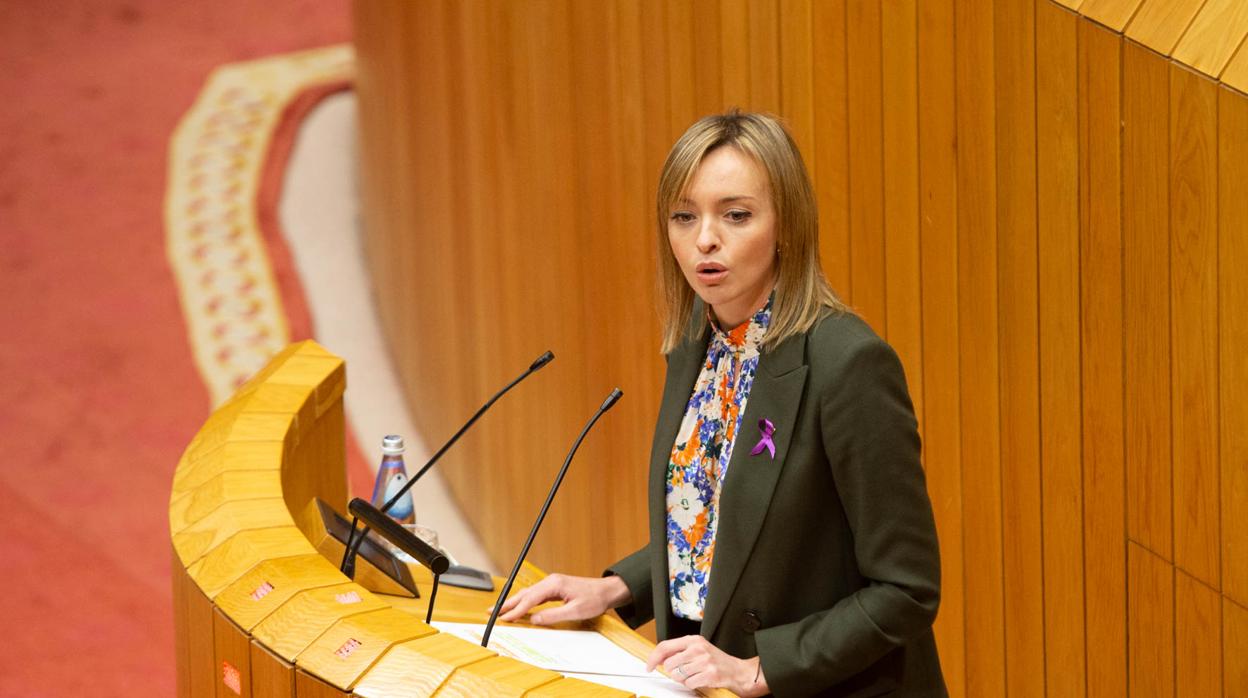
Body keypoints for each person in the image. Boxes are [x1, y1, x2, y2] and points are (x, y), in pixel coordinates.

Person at [499, 110, 945, 697]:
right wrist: (615, 589)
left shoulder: (849, 364)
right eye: (684, 216)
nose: (705, 238)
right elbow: (718, 518)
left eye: (736, 215)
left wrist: (761, 668)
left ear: (787, 225)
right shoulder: (698, 339)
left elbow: (907, 589)